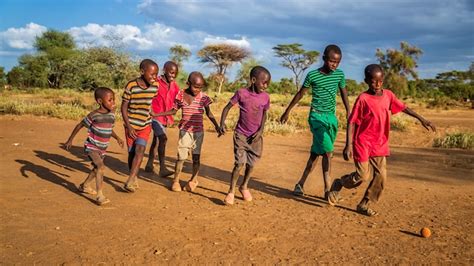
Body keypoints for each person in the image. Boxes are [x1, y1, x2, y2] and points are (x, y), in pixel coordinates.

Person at [327, 64, 436, 216]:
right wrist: (348, 145)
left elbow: (403, 107)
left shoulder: (388, 95)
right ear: (366, 81)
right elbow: (352, 121)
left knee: (381, 177)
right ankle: (340, 183)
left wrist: (422, 119)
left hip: (379, 143)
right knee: (362, 176)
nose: (377, 85)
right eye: (373, 81)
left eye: (380, 81)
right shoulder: (363, 99)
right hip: (362, 142)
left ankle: (364, 204)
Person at [280, 44, 350, 201]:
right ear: (324, 59)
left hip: (331, 118)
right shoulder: (312, 75)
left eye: (337, 62)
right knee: (328, 151)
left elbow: (344, 94)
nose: (335, 65)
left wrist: (349, 112)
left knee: (316, 153)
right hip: (316, 117)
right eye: (332, 61)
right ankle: (328, 190)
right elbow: (300, 94)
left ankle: (300, 184)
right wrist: (287, 111)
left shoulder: (339, 75)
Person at [152, 71, 221, 192]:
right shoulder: (181, 95)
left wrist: (217, 126)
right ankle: (176, 180)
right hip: (185, 131)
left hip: (198, 132)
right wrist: (157, 114)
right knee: (181, 157)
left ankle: (194, 179)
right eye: (195, 86)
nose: (197, 90)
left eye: (200, 87)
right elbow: (173, 111)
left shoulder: (203, 98)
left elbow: (209, 113)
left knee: (196, 157)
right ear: (188, 83)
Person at [219, 66, 271, 205]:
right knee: (239, 163)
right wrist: (221, 124)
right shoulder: (241, 93)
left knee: (251, 164)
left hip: (256, 137)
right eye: (263, 82)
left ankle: (244, 186)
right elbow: (227, 107)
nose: (266, 86)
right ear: (253, 80)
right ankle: (231, 191)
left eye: (268, 83)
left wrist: (260, 131)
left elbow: (264, 114)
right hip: (241, 134)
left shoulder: (265, 97)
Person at [65, 87, 124, 205]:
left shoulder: (111, 115)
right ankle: (100, 195)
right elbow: (80, 125)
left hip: (103, 148)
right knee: (101, 167)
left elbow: (108, 129)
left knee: (96, 168)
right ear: (100, 101)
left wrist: (117, 138)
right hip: (92, 147)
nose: (113, 103)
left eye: (114, 100)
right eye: (110, 100)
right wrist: (70, 140)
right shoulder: (94, 115)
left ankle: (84, 186)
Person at [121, 59, 159, 192]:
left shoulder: (155, 86)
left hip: (145, 125)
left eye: (156, 74)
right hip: (131, 125)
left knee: (140, 150)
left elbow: (149, 102)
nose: (154, 77)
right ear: (142, 72)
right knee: (131, 153)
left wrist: (152, 113)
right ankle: (134, 175)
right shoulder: (131, 85)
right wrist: (129, 126)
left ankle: (130, 180)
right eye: (152, 74)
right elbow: (123, 107)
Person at [145, 61, 180, 178]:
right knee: (163, 139)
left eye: (175, 74)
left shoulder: (174, 85)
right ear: (164, 70)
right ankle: (163, 168)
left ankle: (149, 164)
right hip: (154, 116)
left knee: (157, 140)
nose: (173, 76)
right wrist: (150, 111)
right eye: (171, 73)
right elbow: (147, 95)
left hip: (165, 117)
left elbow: (178, 98)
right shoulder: (156, 82)